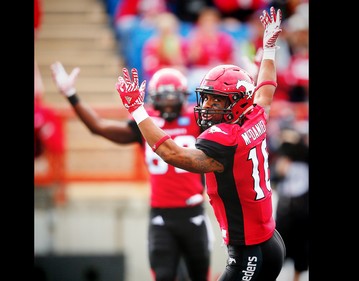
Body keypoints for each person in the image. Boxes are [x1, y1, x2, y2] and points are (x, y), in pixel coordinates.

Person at [114, 6, 286, 281]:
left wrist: (137, 110)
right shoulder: (255, 114)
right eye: (206, 98)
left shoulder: (224, 139)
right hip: (270, 241)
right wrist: (269, 49)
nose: (206, 106)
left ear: (235, 102)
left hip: (249, 252)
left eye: (215, 100)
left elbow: (172, 153)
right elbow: (266, 88)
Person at [50, 64, 213, 281]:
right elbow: (98, 126)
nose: (168, 102)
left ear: (183, 97)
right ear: (154, 98)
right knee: (163, 276)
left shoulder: (197, 120)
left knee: (200, 277)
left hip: (194, 214)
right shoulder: (146, 123)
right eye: (163, 97)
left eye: (173, 97)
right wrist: (71, 95)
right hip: (161, 216)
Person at [273, 128, 309, 281]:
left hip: (303, 209)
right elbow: (274, 179)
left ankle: (296, 278)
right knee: (279, 248)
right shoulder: (281, 158)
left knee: (302, 249)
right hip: (285, 208)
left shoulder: (304, 156)